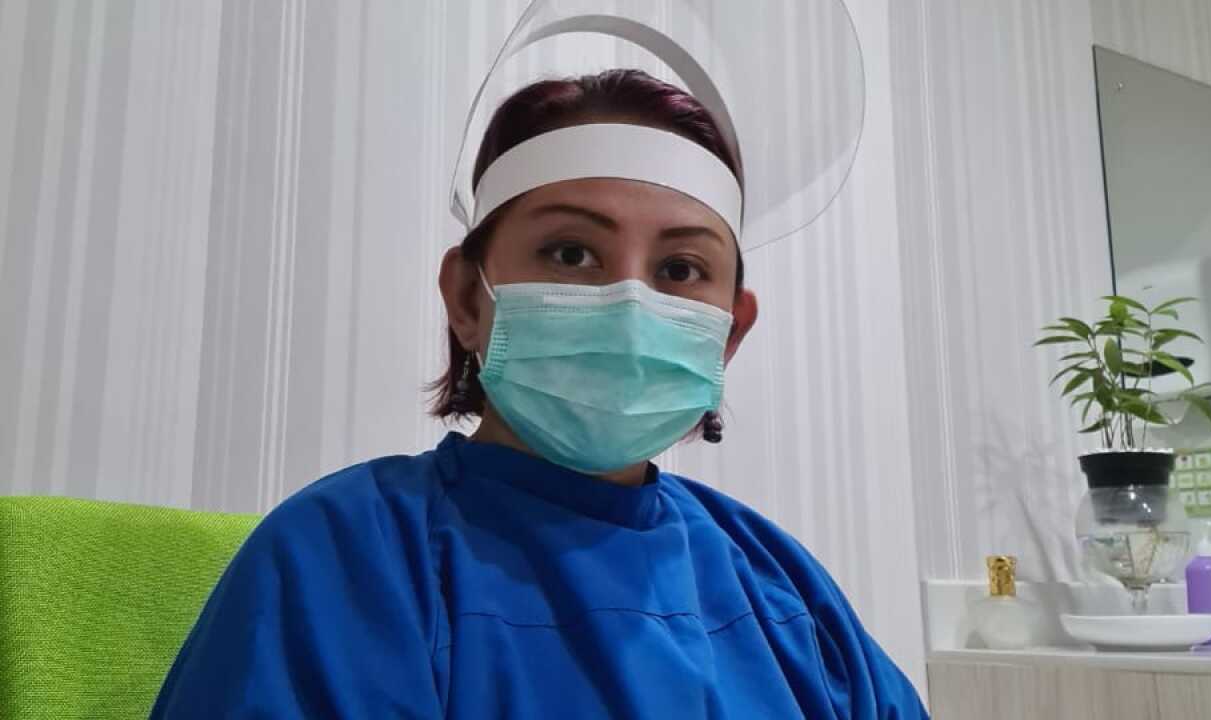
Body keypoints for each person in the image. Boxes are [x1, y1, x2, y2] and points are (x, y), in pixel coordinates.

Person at [151, 69, 928, 719]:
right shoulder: (350, 558)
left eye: (680, 270)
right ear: (466, 297)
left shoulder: (778, 583)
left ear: (728, 331)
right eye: (571, 252)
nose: (629, 304)